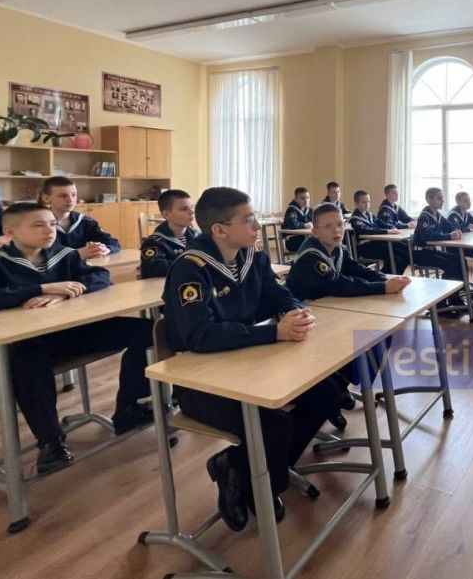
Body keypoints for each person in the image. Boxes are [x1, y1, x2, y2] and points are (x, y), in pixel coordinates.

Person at [163, 187, 338, 529]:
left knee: (326, 394)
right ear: (219, 229)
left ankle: (244, 466)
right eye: (248, 220)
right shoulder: (191, 268)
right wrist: (274, 334)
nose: (258, 226)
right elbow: (199, 335)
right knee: (273, 423)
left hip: (247, 362)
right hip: (200, 381)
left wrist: (294, 311)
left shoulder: (251, 255)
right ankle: (261, 484)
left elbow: (277, 293)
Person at [0, 203, 154, 474]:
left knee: (150, 332)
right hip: (35, 341)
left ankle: (129, 409)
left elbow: (100, 276)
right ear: (10, 232)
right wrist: (39, 289)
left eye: (52, 224)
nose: (49, 230)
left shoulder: (63, 254)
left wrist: (65, 292)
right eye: (38, 225)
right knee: (25, 360)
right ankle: (51, 443)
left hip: (77, 330)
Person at [286, 202, 411, 428]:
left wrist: (386, 279)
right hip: (306, 317)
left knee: (378, 332)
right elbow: (340, 285)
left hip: (330, 311)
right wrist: (383, 288)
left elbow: (357, 270)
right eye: (328, 226)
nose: (337, 230)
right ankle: (331, 395)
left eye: (340, 224)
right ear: (315, 232)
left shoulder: (337, 249)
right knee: (355, 340)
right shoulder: (311, 256)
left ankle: (339, 387)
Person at [39, 176, 121, 258]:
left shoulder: (85, 221)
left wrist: (105, 249)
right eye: (63, 196)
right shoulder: (38, 224)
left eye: (74, 195)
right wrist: (77, 253)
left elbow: (113, 242)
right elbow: (39, 255)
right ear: (46, 198)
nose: (70, 200)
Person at [413, 188, 466, 312]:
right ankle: (440, 303)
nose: (442, 201)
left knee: (457, 259)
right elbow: (427, 236)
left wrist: (456, 229)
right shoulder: (425, 216)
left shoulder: (437, 215)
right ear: (429, 200)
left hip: (430, 251)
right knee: (449, 264)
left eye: (442, 198)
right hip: (420, 253)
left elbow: (450, 226)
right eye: (439, 198)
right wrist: (449, 236)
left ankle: (454, 295)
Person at [140, 189, 198, 279]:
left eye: (192, 207)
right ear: (166, 214)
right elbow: (155, 268)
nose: (191, 212)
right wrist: (194, 264)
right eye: (184, 209)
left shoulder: (198, 237)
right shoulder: (153, 242)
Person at [348, 190, 410, 274]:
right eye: (364, 202)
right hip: (365, 247)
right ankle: (387, 275)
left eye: (368, 202)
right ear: (356, 203)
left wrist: (392, 228)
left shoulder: (369, 215)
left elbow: (381, 223)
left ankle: (387, 273)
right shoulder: (355, 219)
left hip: (376, 243)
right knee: (395, 257)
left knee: (404, 251)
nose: (367, 204)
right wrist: (387, 231)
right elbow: (367, 230)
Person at [282, 187, 313, 254]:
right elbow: (293, 224)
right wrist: (304, 225)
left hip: (306, 239)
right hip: (294, 241)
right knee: (315, 246)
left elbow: (316, 222)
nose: (306, 200)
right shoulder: (292, 210)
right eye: (302, 198)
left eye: (308, 198)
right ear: (296, 199)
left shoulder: (310, 210)